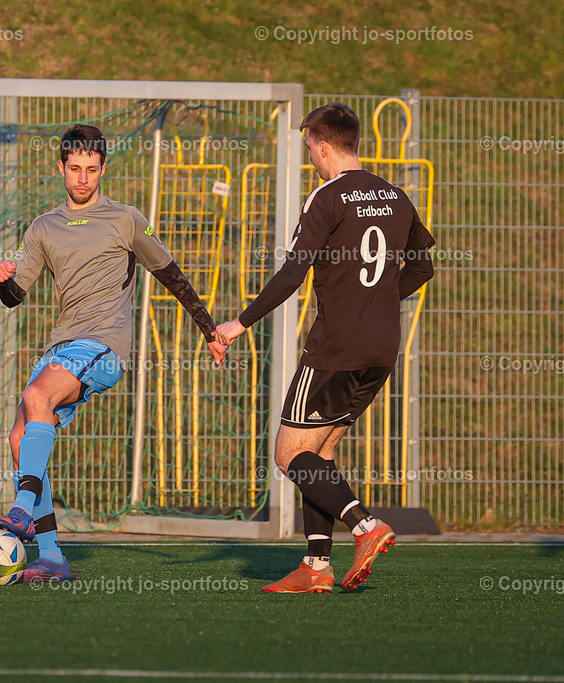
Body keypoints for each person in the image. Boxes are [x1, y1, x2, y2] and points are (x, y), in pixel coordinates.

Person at [0, 124, 228, 582]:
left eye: (92, 170)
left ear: (103, 170)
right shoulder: (43, 227)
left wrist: (209, 328)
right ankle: (53, 557)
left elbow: (170, 273)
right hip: (62, 344)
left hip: (104, 344)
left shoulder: (125, 219)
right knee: (19, 440)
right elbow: (16, 295)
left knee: (36, 398)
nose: (83, 178)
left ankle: (21, 510)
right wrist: (3, 280)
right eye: (75, 169)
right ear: (60, 167)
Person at [216, 103, 435, 592]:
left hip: (335, 346)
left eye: (309, 146)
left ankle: (365, 526)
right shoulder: (397, 196)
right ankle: (316, 567)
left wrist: (240, 323)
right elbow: (422, 268)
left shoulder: (326, 197)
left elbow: (294, 272)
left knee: (289, 454)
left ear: (320, 144)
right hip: (382, 346)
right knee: (320, 452)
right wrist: (376, 300)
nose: (311, 155)